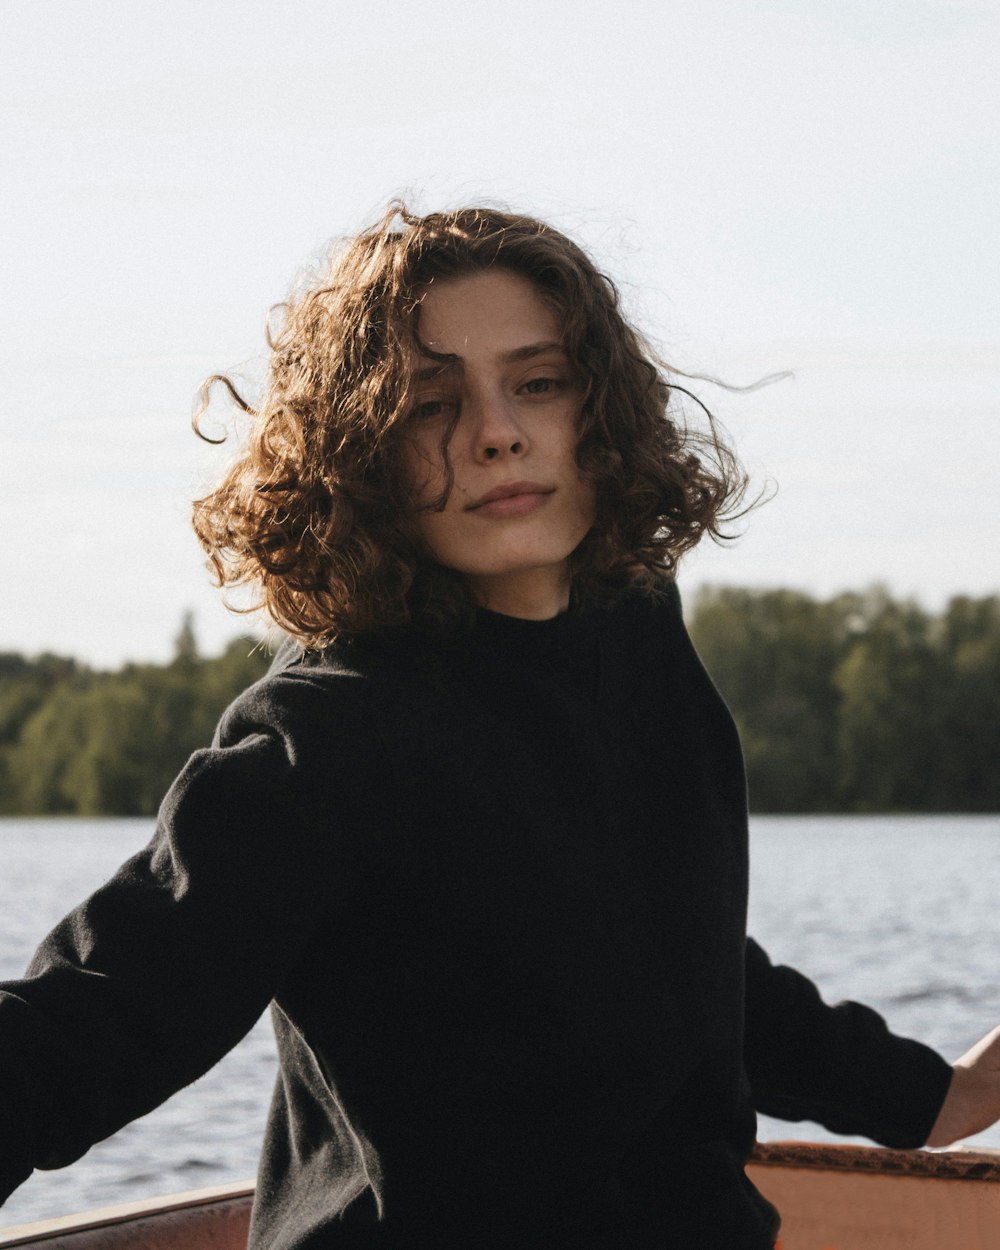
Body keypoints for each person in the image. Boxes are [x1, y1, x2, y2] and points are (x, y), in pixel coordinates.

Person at [1, 204, 998, 1248]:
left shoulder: (633, 626)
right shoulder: (330, 733)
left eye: (538, 381)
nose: (495, 430)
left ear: (597, 410)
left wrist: (935, 1097)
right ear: (361, 453)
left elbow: (671, 951)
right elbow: (97, 1014)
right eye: (431, 402)